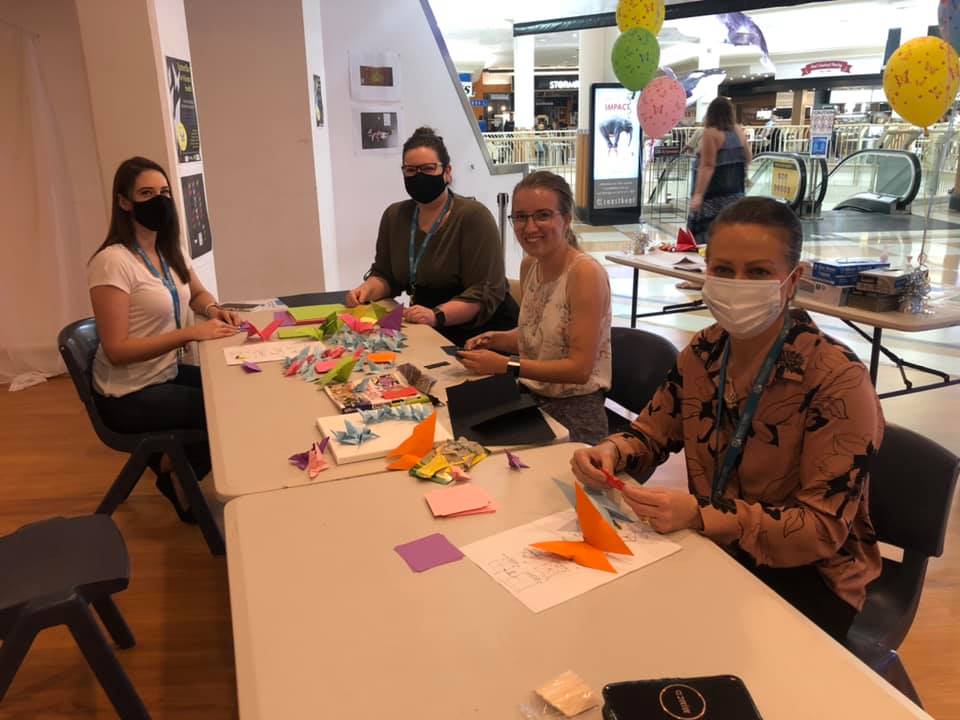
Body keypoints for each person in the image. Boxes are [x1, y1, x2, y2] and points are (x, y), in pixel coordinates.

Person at [571, 197, 883, 642]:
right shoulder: (705, 351)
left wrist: (701, 516)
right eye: (723, 270)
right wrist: (612, 452)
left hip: (809, 576)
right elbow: (653, 433)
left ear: (792, 281)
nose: (738, 285)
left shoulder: (837, 381)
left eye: (758, 273)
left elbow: (820, 531)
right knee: (608, 618)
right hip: (715, 546)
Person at [88, 157, 239, 522]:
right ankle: (175, 469)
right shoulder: (112, 262)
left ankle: (170, 463)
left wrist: (215, 310)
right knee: (224, 413)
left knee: (235, 393)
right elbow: (117, 349)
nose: (159, 200)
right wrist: (190, 332)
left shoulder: (170, 249)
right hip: (128, 391)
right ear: (124, 202)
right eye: (146, 193)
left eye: (164, 192)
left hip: (164, 373)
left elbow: (198, 295)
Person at [458, 171, 612, 445]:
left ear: (566, 219)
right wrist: (499, 339)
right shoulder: (531, 265)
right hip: (530, 397)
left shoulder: (585, 273)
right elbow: (542, 335)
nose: (529, 228)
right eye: (520, 217)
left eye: (542, 215)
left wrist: (507, 365)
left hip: (575, 413)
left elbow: (579, 368)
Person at [346, 127, 518, 347]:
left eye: (428, 168)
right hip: (426, 327)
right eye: (410, 170)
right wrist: (365, 290)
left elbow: (484, 293)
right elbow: (386, 275)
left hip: (481, 335)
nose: (419, 176)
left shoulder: (473, 217)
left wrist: (437, 315)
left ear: (447, 171)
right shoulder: (394, 216)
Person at [688, 96, 752, 245]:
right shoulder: (738, 131)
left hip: (713, 193)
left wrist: (698, 195)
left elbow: (708, 166)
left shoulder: (711, 133)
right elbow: (748, 157)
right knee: (730, 232)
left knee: (708, 235)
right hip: (735, 193)